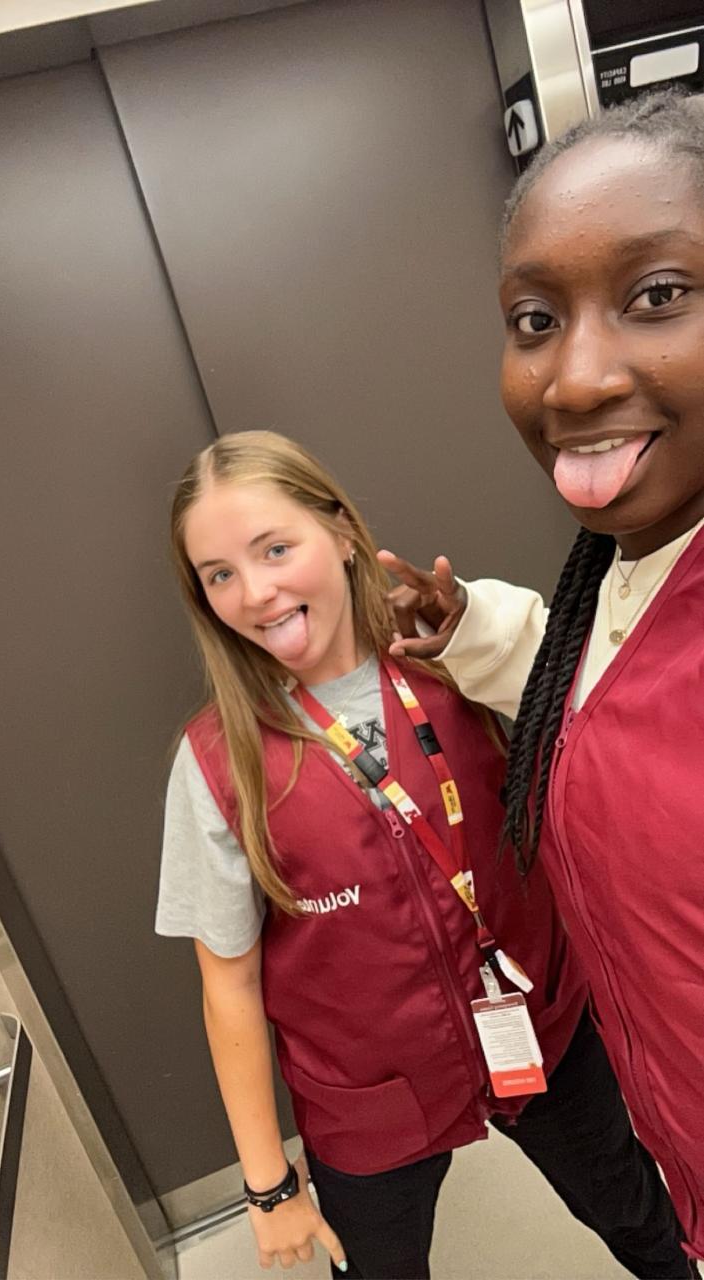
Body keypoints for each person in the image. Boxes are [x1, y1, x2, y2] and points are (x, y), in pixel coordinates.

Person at [156, 429, 690, 1279]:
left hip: (539, 1029)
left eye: (275, 549)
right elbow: (228, 983)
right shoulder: (220, 762)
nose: (255, 592)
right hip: (366, 1103)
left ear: (340, 531)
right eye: (218, 574)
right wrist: (268, 1185)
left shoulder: (451, 660)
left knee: (642, 1223)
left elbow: (610, 721)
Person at [380, 90, 704, 1269]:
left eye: (655, 294)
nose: (572, 379)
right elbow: (606, 705)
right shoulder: (622, 574)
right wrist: (471, 628)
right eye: (533, 318)